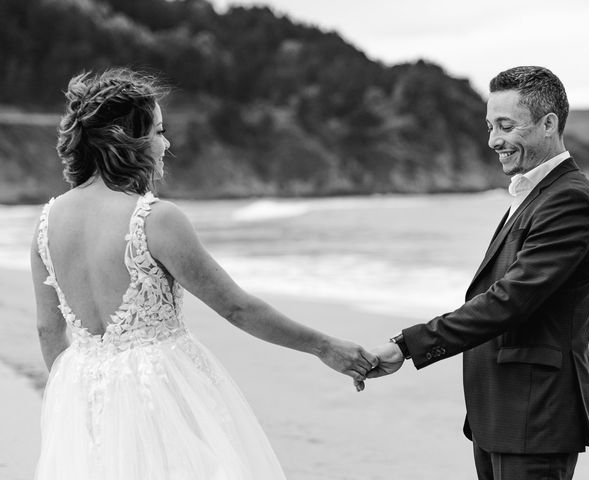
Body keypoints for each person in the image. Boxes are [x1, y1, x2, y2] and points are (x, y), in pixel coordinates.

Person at [30, 68, 377, 480]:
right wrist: (324, 346)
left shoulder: (46, 224)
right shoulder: (154, 220)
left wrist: (76, 401)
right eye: (158, 131)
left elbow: (48, 331)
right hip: (160, 394)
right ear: (128, 139)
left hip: (83, 391)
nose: (166, 143)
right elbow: (235, 308)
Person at [368, 66, 589, 480]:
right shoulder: (534, 194)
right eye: (489, 126)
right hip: (502, 415)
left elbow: (510, 300)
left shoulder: (569, 200)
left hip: (535, 417)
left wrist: (410, 345)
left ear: (548, 124)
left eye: (505, 125)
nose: (493, 140)